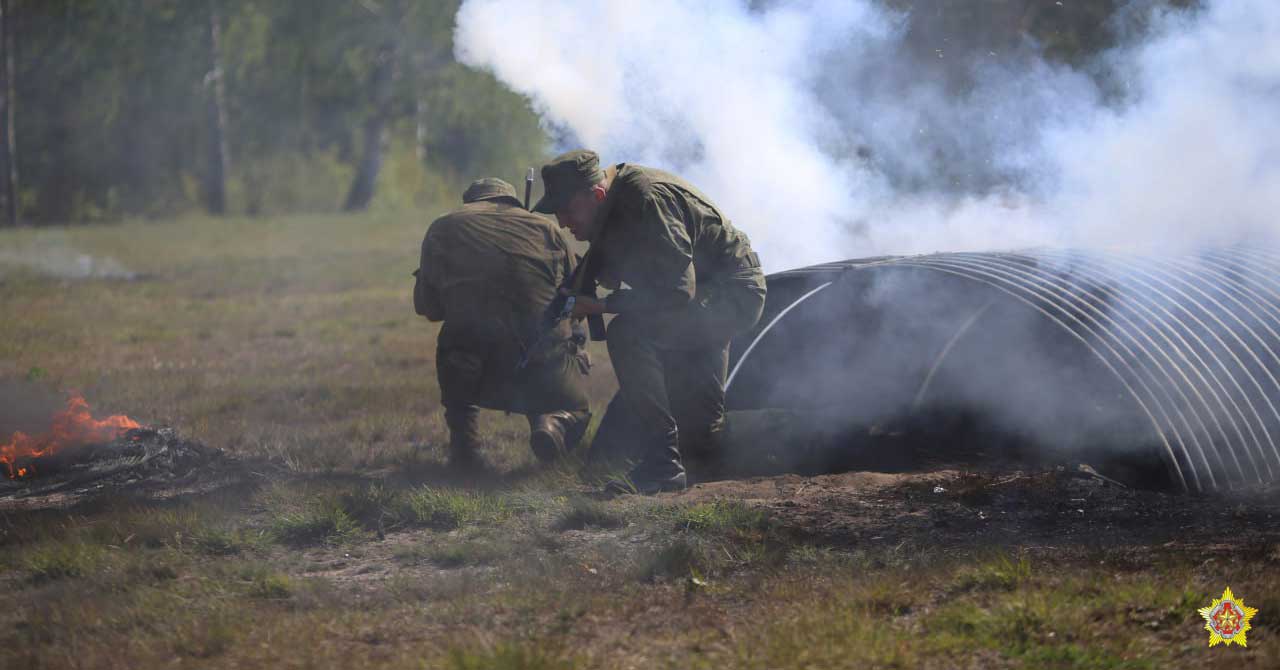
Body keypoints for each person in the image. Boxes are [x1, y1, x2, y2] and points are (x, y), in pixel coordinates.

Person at [533, 151, 766, 493]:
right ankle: (794, 438)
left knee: (627, 332)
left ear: (596, 195)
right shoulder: (611, 208)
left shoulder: (645, 199)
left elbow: (675, 292)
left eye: (567, 210)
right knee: (703, 431)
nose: (564, 222)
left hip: (729, 296)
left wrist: (600, 305)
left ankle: (662, 463)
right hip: (708, 297)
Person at [415, 177, 591, 468]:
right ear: (512, 201)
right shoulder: (547, 229)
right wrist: (577, 342)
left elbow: (428, 308)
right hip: (540, 358)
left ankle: (465, 450)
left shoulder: (443, 227)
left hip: (471, 362)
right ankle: (553, 425)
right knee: (577, 407)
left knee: (456, 346)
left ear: (471, 202)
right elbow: (574, 296)